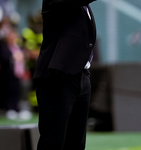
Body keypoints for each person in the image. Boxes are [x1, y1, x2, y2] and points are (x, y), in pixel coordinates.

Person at [33, 0, 97, 150]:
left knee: (76, 143)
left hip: (81, 75)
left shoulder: (83, 7)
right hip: (57, 77)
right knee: (53, 141)